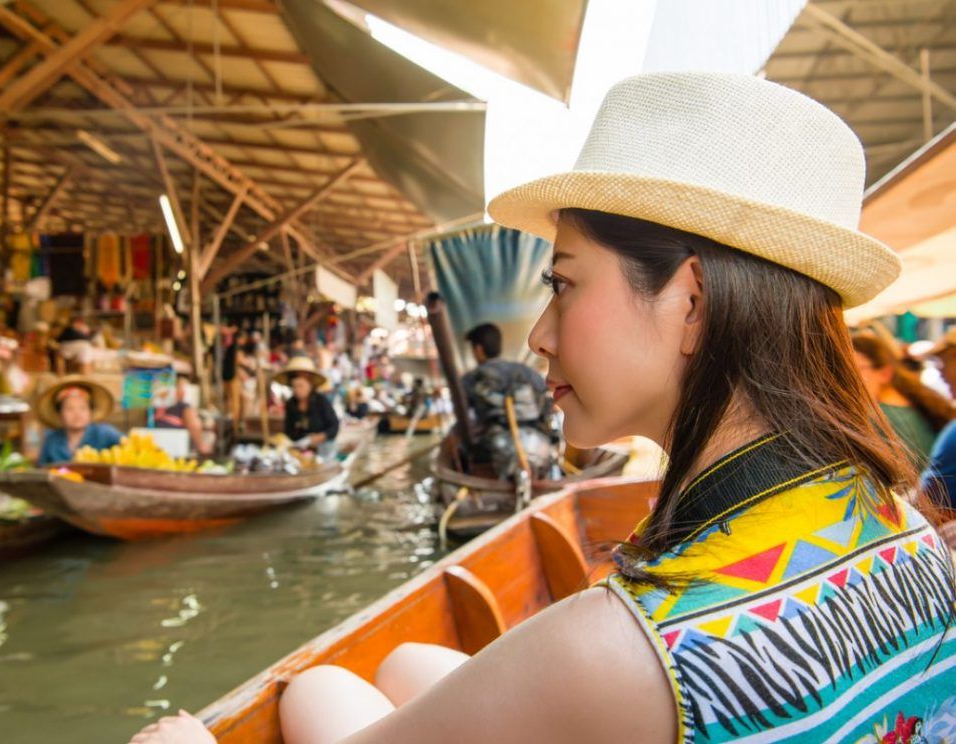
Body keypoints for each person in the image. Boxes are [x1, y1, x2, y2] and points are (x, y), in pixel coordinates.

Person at [130, 73, 956, 744]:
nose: (542, 336)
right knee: (414, 662)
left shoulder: (617, 651)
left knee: (316, 692)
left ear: (692, 303)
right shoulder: (903, 523)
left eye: (562, 283)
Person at [460, 322, 556, 477]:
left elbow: (464, 418)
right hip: (538, 446)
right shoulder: (527, 372)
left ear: (478, 349)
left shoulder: (471, 379)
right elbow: (546, 402)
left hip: (492, 453)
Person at [852, 333, 955, 470]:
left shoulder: (879, 418)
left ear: (885, 373)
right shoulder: (915, 403)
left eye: (855, 370)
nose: (846, 379)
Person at [36, 377, 123, 466]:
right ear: (60, 414)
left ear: (90, 411)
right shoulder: (52, 440)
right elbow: (41, 470)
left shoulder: (105, 434)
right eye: (70, 409)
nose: (77, 414)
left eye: (82, 408)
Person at [275, 357, 339, 456]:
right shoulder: (291, 404)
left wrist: (319, 437)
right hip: (300, 450)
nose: (297, 390)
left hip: (323, 448)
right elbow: (289, 431)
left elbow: (334, 426)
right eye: (294, 386)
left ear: (310, 385)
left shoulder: (321, 401)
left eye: (301, 386)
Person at [153, 373, 213, 457]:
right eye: (182, 387)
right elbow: (194, 425)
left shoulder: (156, 406)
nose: (184, 391)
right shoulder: (184, 406)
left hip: (155, 448)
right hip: (176, 449)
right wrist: (201, 446)